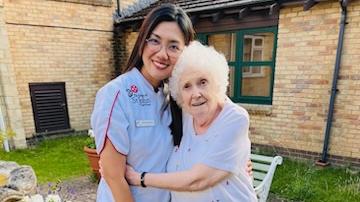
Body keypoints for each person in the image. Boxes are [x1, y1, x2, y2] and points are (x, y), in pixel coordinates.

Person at [125, 41, 258, 202]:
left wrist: (139, 178)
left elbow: (198, 180)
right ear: (179, 93)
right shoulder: (185, 115)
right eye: (187, 86)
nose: (196, 94)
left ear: (217, 82)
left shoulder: (234, 118)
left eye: (203, 82)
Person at [91, 4, 194, 202]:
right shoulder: (116, 94)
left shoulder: (175, 96)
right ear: (142, 42)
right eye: (155, 41)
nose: (163, 54)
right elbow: (114, 177)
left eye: (173, 46)